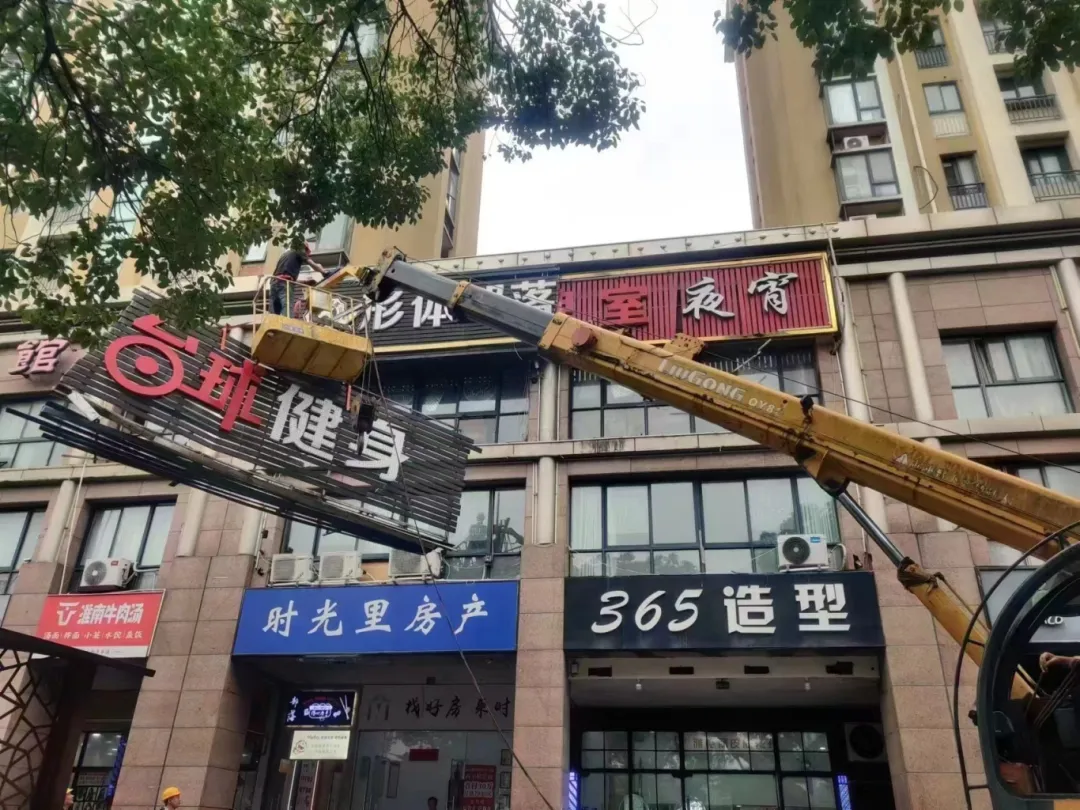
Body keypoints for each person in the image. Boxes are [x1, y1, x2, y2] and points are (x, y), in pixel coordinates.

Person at [270, 244, 326, 317]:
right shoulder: (299, 250)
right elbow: (312, 264)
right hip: (285, 284)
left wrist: (305, 282)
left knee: (274, 312)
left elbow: (285, 275)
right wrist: (324, 272)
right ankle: (286, 322)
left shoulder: (284, 255)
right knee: (287, 308)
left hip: (274, 283)